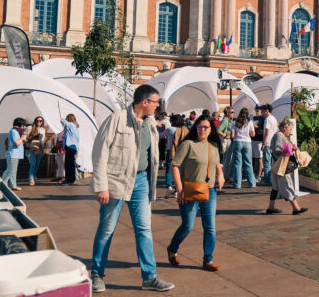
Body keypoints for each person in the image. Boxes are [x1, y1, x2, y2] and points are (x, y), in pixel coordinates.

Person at [89, 84, 174, 293]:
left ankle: (149, 276)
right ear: (144, 102)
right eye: (156, 102)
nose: (158, 106)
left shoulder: (150, 122)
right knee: (106, 230)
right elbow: (100, 153)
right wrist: (101, 186)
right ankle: (97, 275)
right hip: (116, 181)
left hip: (141, 182)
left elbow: (152, 155)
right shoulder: (117, 118)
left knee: (144, 230)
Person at [167, 115, 225, 271]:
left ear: (211, 129)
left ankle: (208, 259)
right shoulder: (188, 145)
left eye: (206, 127)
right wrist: (180, 189)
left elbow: (217, 163)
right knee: (188, 226)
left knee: (210, 227)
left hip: (209, 190)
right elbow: (175, 166)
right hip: (189, 190)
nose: (202, 130)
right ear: (195, 128)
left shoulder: (213, 146)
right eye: (200, 127)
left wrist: (220, 174)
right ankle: (172, 248)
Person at [265, 119, 307, 215]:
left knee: (275, 187)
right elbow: (277, 150)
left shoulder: (278, 135)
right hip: (281, 166)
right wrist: (292, 148)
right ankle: (296, 208)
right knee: (288, 185)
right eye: (290, 129)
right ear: (285, 128)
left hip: (276, 165)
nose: (290, 131)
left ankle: (271, 207)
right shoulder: (279, 136)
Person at [231, 108, 256, 188]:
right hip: (247, 142)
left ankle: (237, 184)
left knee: (237, 164)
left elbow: (232, 135)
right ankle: (252, 183)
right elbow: (253, 134)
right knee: (248, 163)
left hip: (237, 142)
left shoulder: (234, 122)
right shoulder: (250, 122)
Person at [3, 117, 28, 191]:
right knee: (10, 171)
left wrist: (24, 137)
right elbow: (17, 143)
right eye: (23, 125)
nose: (24, 126)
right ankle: (2, 184)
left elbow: (23, 141)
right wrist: (22, 137)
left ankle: (13, 185)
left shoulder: (17, 131)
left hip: (16, 155)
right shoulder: (13, 131)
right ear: (20, 124)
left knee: (13, 171)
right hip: (13, 154)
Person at [25, 116, 48, 186]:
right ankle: (31, 179)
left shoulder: (42, 129)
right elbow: (25, 137)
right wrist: (27, 143)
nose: (39, 122)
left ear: (42, 122)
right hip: (30, 149)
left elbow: (42, 139)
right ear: (35, 121)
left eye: (40, 121)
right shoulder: (30, 128)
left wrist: (43, 148)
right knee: (33, 164)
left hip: (39, 148)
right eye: (37, 120)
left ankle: (31, 176)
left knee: (37, 165)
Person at [260, 104, 278, 186]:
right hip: (273, 142)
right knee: (272, 161)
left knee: (266, 162)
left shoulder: (267, 119)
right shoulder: (274, 118)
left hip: (268, 143)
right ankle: (271, 178)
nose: (262, 112)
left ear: (267, 110)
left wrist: (264, 142)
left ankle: (267, 180)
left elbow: (267, 132)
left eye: (263, 110)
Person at [61, 114, 80, 186]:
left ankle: (69, 180)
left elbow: (63, 122)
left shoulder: (69, 125)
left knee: (69, 164)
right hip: (74, 147)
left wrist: (63, 119)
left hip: (69, 146)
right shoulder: (75, 126)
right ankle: (70, 179)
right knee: (71, 164)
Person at [217, 107, 235, 179]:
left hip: (228, 140)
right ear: (227, 113)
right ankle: (225, 176)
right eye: (232, 112)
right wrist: (225, 135)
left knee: (227, 159)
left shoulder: (229, 120)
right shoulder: (225, 121)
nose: (233, 113)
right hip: (227, 141)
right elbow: (218, 130)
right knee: (227, 159)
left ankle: (226, 175)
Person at [250, 106, 266, 180]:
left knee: (260, 159)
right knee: (254, 158)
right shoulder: (253, 118)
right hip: (253, 139)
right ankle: (258, 173)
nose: (257, 110)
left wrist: (250, 124)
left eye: (258, 109)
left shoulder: (262, 118)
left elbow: (257, 126)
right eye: (256, 109)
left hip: (259, 140)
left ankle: (259, 175)